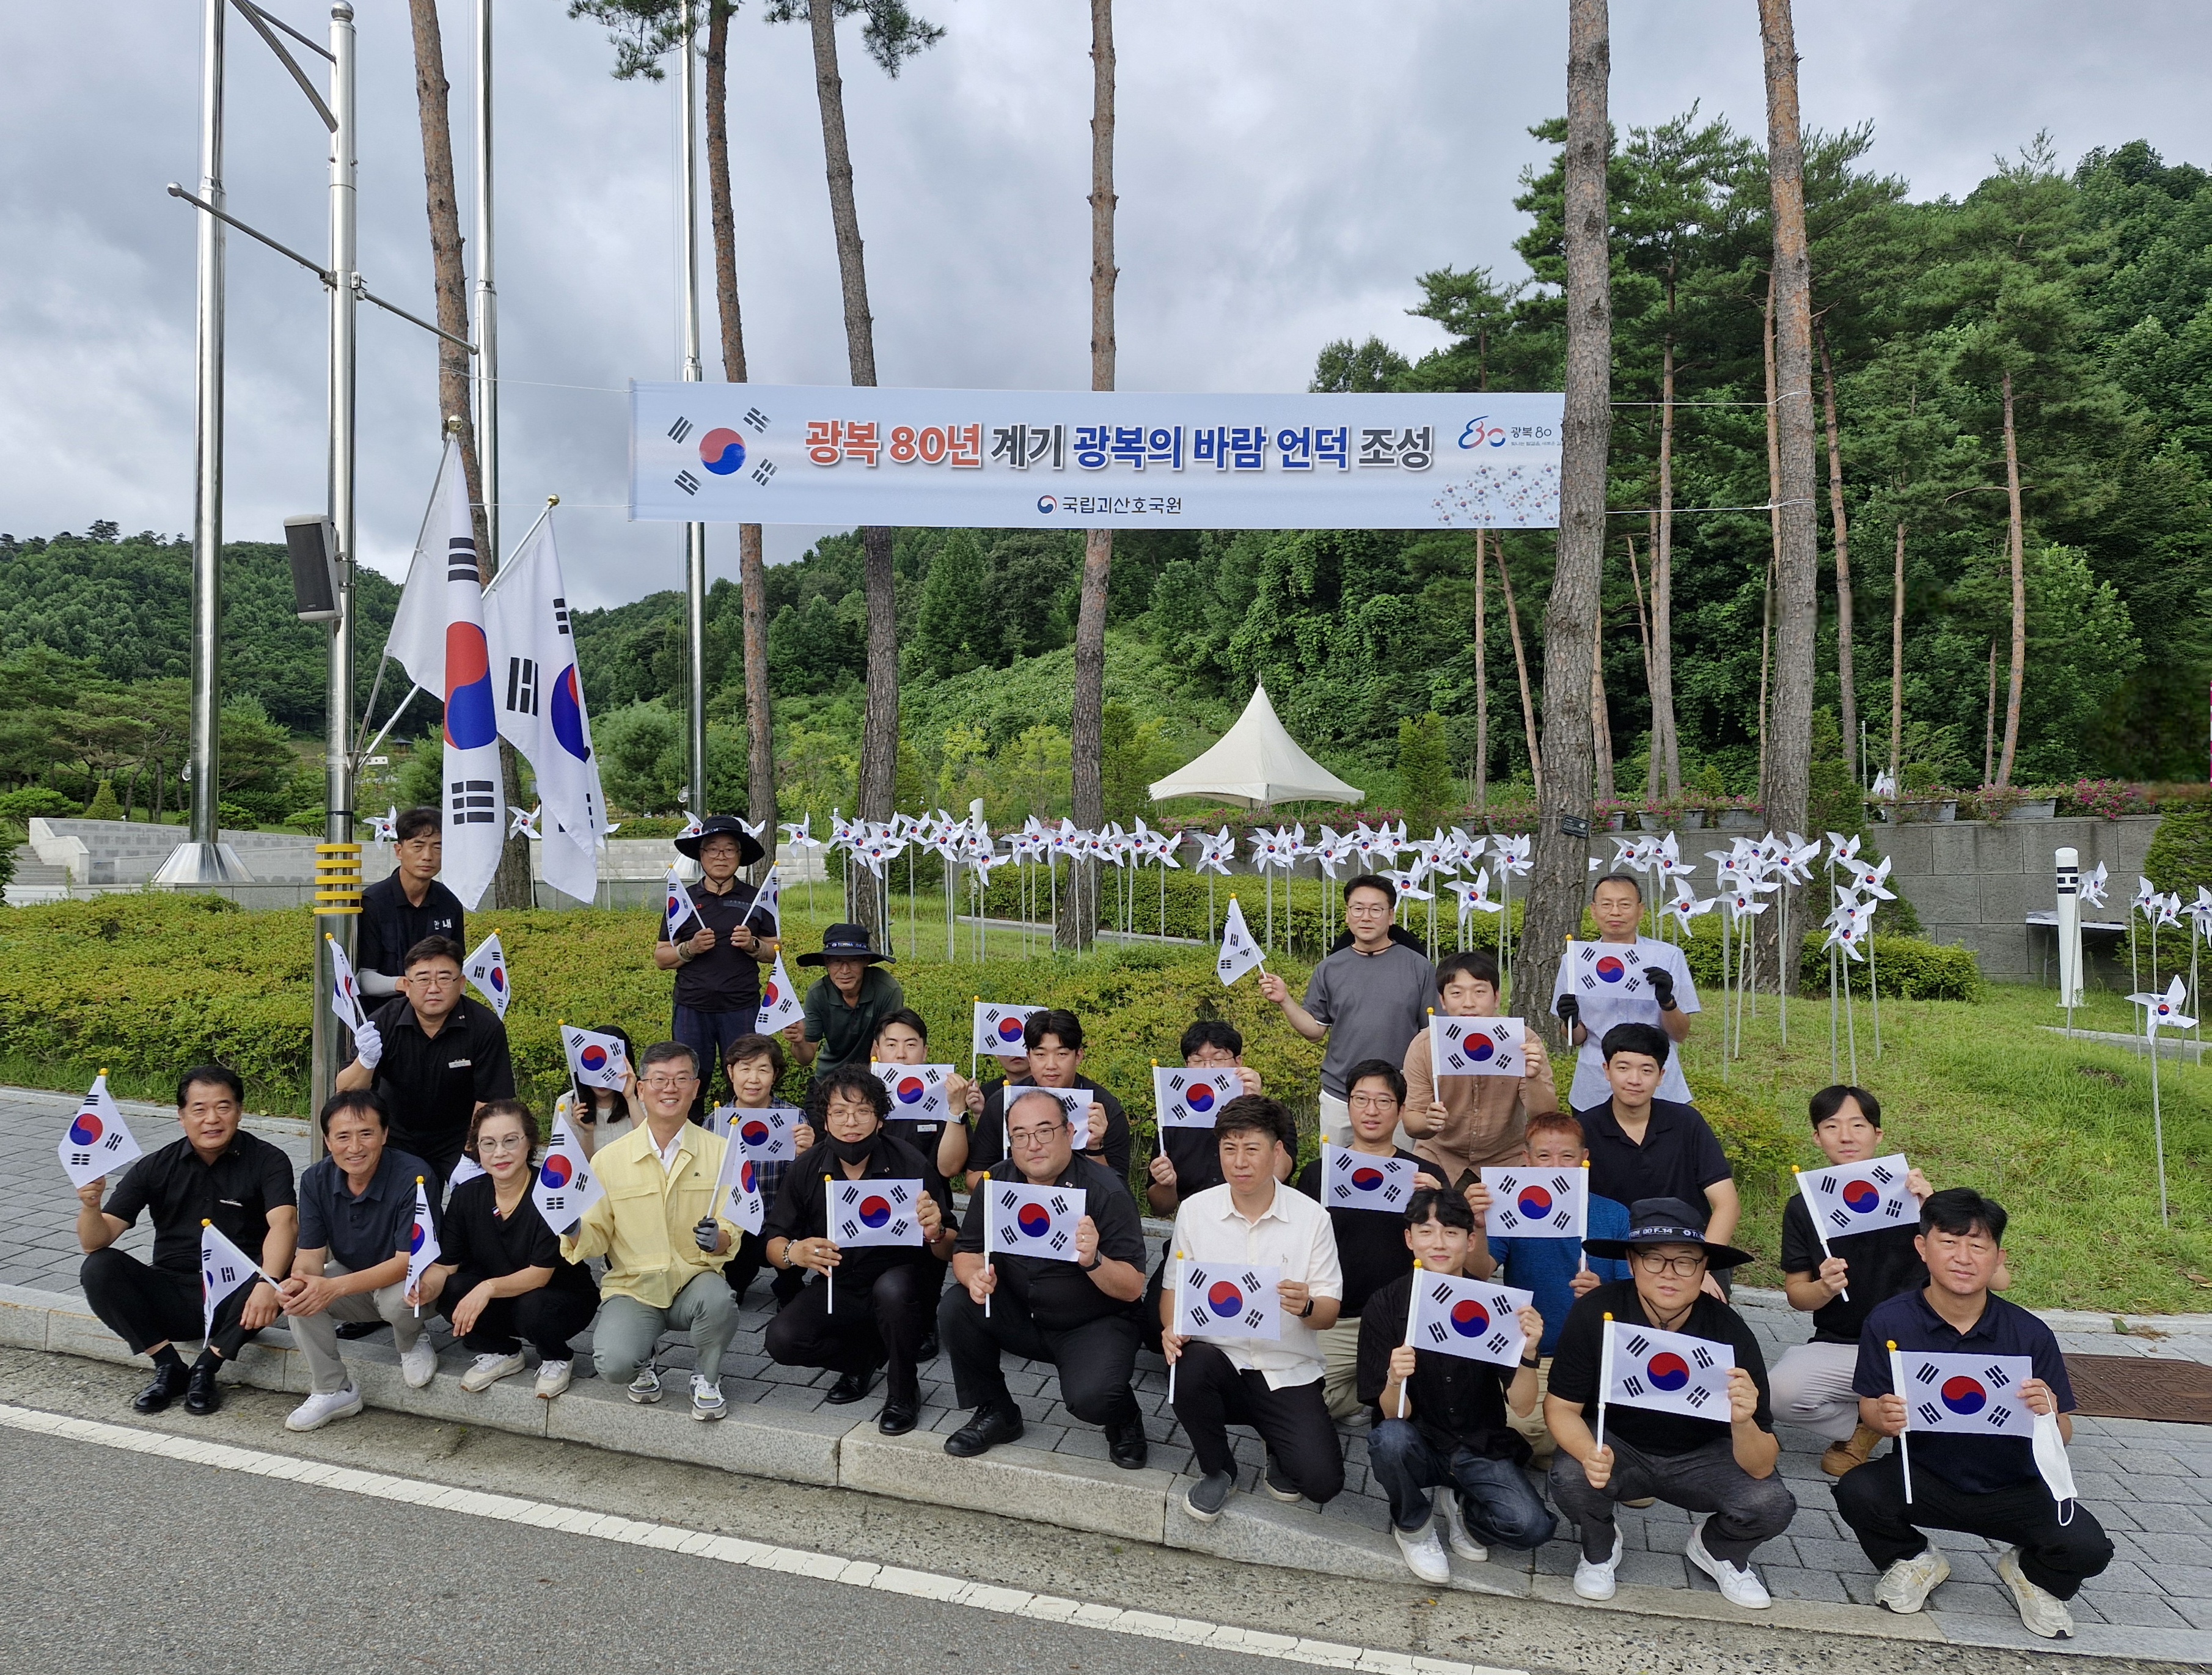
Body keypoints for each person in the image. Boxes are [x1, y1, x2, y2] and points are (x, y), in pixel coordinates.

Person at [1840, 1189, 2113, 1638]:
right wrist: (1880, 1416)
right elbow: (1870, 1403)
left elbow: (2064, 1431)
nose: (1963, 1257)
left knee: (2088, 1549)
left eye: (1978, 1245)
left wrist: (2048, 1415)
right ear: (1922, 1247)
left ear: (1998, 1257)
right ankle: (1913, 1558)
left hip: (2016, 1486)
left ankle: (2030, 1572)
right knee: (1857, 1489)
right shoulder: (1890, 1322)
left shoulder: (2029, 1333)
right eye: (1949, 1242)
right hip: (1924, 1476)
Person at [1544, 1197, 1795, 1610]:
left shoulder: (1729, 1331)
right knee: (1572, 1473)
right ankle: (1600, 1545)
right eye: (1654, 1259)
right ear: (1631, 1261)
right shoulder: (1597, 1312)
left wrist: (1744, 1420)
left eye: (1685, 1261)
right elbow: (1561, 1407)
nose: (1669, 1273)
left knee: (1771, 1503)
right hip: (1619, 1444)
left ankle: (1718, 1549)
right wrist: (1590, 1452)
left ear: (1704, 1268)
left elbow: (1761, 1464)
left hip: (1702, 1457)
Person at [940, 1088, 1151, 1468]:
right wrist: (974, 1277)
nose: (1032, 1145)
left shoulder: (1106, 1190)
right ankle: (998, 1411)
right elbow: (967, 1250)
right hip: (1022, 1311)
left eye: (1044, 1131)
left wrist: (1094, 1260)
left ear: (1070, 1132)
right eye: (1019, 1135)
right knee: (957, 1305)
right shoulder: (997, 1182)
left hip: (1091, 1322)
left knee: (1093, 1399)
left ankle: (1123, 1416)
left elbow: (1134, 1285)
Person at [1163, 1094, 1346, 1522]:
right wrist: (1169, 1328)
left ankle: (1276, 1441)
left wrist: (1307, 1304)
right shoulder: (1195, 1212)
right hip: (1219, 1361)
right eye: (1230, 1148)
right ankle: (1218, 1468)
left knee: (1322, 1482)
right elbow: (1174, 1287)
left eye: (1252, 1148)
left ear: (1277, 1150)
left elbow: (1330, 1311)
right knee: (1186, 1365)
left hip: (1287, 1370)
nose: (1240, 1161)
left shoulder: (1312, 1218)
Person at [76, 1065, 297, 1417]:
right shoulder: (155, 1166)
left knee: (286, 1270)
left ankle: (207, 1369)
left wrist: (266, 1284)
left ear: (239, 1111)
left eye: (223, 1107)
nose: (212, 1119)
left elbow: (284, 1223)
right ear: (181, 1116)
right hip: (173, 1293)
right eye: (199, 1109)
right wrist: (91, 1206)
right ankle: (168, 1366)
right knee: (98, 1266)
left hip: (238, 1302)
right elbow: (96, 1240)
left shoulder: (268, 1160)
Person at [1360, 1189, 1556, 1582]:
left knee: (1534, 1527)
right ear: (1409, 1239)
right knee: (1390, 1438)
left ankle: (1464, 1509)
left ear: (1470, 1242)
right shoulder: (1387, 1303)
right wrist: (1395, 1379)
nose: (1438, 1242)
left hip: (1479, 1443)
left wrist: (1528, 1351)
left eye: (1451, 1232)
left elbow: (1521, 1405)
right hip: (1419, 1442)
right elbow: (1390, 1414)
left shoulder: (1497, 1305)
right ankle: (1413, 1525)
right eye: (1426, 1231)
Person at [760, 1067, 954, 1435]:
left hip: (902, 1283)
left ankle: (904, 1388)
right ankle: (862, 1359)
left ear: (880, 1119)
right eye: (839, 1113)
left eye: (863, 1111)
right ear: (826, 1119)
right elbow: (774, 1240)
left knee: (893, 1291)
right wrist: (793, 1253)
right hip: (839, 1282)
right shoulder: (806, 1167)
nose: (852, 1122)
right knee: (783, 1340)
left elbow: (951, 1248)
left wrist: (936, 1230)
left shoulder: (910, 1162)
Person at [558, 1042, 742, 1421]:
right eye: (658, 1080)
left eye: (680, 1079)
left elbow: (733, 1224)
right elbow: (596, 1235)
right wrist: (573, 1229)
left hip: (695, 1280)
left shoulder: (723, 1152)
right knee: (614, 1365)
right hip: (634, 1286)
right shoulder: (609, 1159)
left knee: (720, 1301)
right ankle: (644, 1361)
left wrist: (720, 1239)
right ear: (640, 1089)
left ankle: (706, 1378)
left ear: (696, 1087)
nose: (669, 1089)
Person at [1772, 1085, 1945, 1477]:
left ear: (1878, 1134)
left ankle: (1905, 1426)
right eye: (1832, 1126)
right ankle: (1865, 1427)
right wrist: (1824, 1288)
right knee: (1779, 1394)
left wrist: (1934, 1210)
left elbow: (1972, 1271)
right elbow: (1798, 1295)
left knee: (1954, 1402)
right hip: (1845, 1345)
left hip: (1919, 1346)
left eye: (1858, 1125)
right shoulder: (1805, 1206)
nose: (1846, 1136)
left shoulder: (1913, 1194)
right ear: (1817, 1137)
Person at [414, 1100, 600, 1401]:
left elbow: (539, 1276)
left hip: (558, 1297)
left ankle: (557, 1357)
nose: (499, 1152)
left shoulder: (551, 1191)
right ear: (476, 1149)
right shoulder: (466, 1196)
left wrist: (486, 1288)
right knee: (451, 1289)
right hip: (502, 1295)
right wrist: (425, 1287)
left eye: (510, 1141)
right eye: (488, 1144)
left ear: (529, 1142)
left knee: (532, 1306)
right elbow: (447, 1264)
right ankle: (503, 1351)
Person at [279, 1090, 441, 1429]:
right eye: (342, 1137)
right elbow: (309, 1255)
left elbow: (406, 1260)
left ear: (384, 1134)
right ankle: (333, 1389)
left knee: (398, 1299)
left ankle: (412, 1341)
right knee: (300, 1296)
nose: (355, 1147)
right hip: (352, 1276)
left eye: (366, 1133)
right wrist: (300, 1279)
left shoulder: (415, 1175)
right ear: (327, 1140)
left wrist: (333, 1287)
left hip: (412, 1282)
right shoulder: (314, 1180)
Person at [1293, 1060, 1442, 1421]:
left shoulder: (1426, 1176)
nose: (1371, 1111)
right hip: (1338, 1318)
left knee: (1426, 1402)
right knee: (1308, 1403)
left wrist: (1440, 1202)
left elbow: (1449, 1256)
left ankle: (1378, 1394)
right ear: (1348, 1105)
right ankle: (1366, 1397)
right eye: (1361, 1099)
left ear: (1402, 1110)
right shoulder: (1319, 1173)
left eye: (1384, 1102)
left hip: (1400, 1319)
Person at [1480, 1110, 1629, 1462]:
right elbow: (1479, 1270)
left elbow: (1633, 1293)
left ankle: (1577, 1440)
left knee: (1640, 1455)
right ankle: (1571, 1442)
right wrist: (1478, 1225)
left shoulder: (1614, 1214)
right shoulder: (1509, 1210)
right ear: (1526, 1160)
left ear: (1584, 1159)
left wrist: (1601, 1293)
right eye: (1544, 1156)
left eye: (1567, 1156)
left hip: (1598, 1356)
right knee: (1521, 1432)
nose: (1556, 1166)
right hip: (1540, 1356)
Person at [1260, 873, 1434, 1146]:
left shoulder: (1419, 967)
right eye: (1358, 908)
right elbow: (1315, 1030)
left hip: (1399, 1097)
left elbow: (1432, 1035)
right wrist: (1285, 1000)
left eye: (1376, 909)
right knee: (1335, 1177)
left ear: (1391, 916)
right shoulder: (1329, 968)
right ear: (1347, 914)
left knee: (1399, 1178)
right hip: (1340, 1095)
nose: (1366, 917)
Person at [337, 934, 516, 1188]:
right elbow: (346, 1092)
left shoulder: (485, 1027)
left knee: (477, 1200)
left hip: (462, 1134)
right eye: (422, 979)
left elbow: (491, 1099)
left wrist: (471, 1153)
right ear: (407, 985)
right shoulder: (383, 1022)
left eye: (444, 978)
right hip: (398, 1134)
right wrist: (366, 1061)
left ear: (461, 983)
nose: (433, 988)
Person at [1573, 1023, 1737, 1299]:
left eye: (1646, 1070)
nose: (1634, 1079)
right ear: (1606, 1071)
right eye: (1623, 1068)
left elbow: (1727, 1203)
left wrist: (1703, 1268)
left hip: (1687, 1250)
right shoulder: (1585, 1128)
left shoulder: (1687, 1123)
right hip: (1616, 1252)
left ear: (1661, 1076)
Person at [1401, 950, 1558, 1186]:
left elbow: (1545, 1116)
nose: (1468, 1003)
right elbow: (1411, 1123)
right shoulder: (1425, 1045)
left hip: (1507, 1158)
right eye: (1456, 993)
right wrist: (1428, 1122)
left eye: (1479, 992)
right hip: (1440, 1155)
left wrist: (1533, 1078)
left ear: (1496, 997)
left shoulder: (1522, 1041)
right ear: (1442, 1001)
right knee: (1422, 1211)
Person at [1551, 874, 1699, 1110]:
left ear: (1640, 911)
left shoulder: (1668, 957)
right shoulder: (1574, 961)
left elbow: (1681, 1034)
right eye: (1607, 904)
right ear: (1593, 910)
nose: (1615, 912)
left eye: (1625, 904)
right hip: (1595, 1085)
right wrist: (1570, 1020)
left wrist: (1667, 1002)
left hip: (1658, 1086)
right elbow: (1574, 1039)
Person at [656, 815, 772, 1117]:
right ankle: (689, 1142)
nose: (721, 857)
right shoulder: (683, 900)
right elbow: (661, 957)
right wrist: (689, 949)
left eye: (729, 850)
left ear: (740, 856)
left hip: (742, 1005)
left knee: (748, 1079)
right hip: (692, 1007)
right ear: (701, 856)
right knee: (689, 1081)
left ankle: (748, 1143)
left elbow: (775, 951)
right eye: (713, 850)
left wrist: (753, 946)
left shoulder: (756, 898)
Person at [950, 1010, 1132, 1196]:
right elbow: (974, 1177)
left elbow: (1118, 1194)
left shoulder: (1103, 1109)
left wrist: (1095, 1148)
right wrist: (1022, 1192)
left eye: (1061, 1054)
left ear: (1078, 1056)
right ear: (1029, 1057)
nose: (1051, 1065)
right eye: (1040, 1055)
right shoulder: (1003, 1102)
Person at [715, 1032, 815, 1305]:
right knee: (733, 1288)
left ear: (775, 1074)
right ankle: (738, 1276)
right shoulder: (717, 1121)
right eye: (745, 1069)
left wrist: (806, 1155)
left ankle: (789, 1283)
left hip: (781, 1219)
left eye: (763, 1069)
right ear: (731, 1072)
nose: (753, 1079)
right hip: (736, 1220)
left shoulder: (794, 1119)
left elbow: (808, 1185)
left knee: (802, 1219)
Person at [1144, 1019, 1269, 1218]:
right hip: (1195, 1229)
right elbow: (1160, 1209)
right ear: (1186, 1065)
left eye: (1218, 1059)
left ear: (1238, 1063)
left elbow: (1280, 1174)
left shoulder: (1270, 1114)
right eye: (1198, 1060)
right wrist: (1166, 1184)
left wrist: (1255, 1104)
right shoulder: (1174, 1119)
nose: (1208, 1069)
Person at [355, 807, 464, 1000]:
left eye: (438, 847)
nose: (428, 856)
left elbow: (456, 971)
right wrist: (406, 984)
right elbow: (363, 980)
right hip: (384, 1015)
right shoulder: (373, 903)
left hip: (436, 1011)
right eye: (418, 846)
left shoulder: (450, 902)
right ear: (399, 851)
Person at [791, 923, 906, 1082]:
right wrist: (798, 1041)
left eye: (853, 961)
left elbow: (882, 1048)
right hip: (829, 1079)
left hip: (873, 1078)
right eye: (836, 961)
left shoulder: (887, 990)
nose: (845, 971)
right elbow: (806, 1058)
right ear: (826, 963)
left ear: (866, 961)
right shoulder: (817, 993)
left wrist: (865, 1088)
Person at [870, 1008, 972, 1159]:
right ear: (878, 1051)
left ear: (925, 1052)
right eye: (891, 1045)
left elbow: (951, 1169)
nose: (901, 1054)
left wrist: (957, 1109)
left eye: (910, 1045)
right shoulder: (864, 1095)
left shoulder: (945, 1094)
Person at [554, 1024, 639, 1160]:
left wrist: (631, 1100)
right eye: (595, 1067)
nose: (602, 1082)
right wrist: (587, 1133)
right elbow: (573, 1165)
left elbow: (651, 1147)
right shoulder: (567, 1104)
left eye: (611, 1069)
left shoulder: (642, 1097)